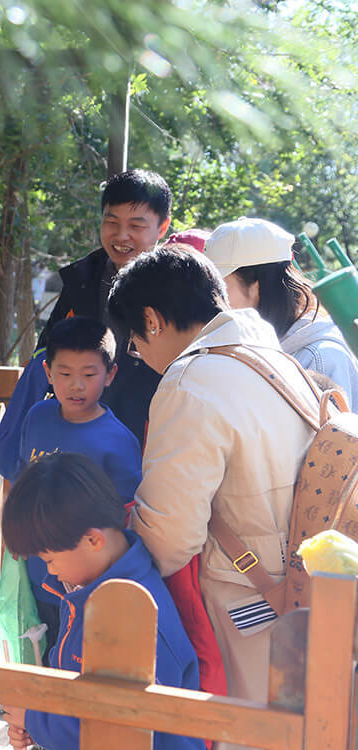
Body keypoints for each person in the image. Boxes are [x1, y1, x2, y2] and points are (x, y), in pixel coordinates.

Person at [107, 246, 318, 717]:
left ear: (152, 320)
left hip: (246, 604)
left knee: (244, 732)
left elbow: (169, 537)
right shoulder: (274, 360)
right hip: (304, 590)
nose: (140, 355)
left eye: (135, 342)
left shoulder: (191, 380)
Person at [1, 453, 203, 750]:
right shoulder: (84, 589)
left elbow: (122, 728)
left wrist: (38, 721)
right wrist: (41, 725)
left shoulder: (136, 617)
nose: (50, 571)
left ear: (93, 540)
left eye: (50, 559)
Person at [0, 168, 172, 481]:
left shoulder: (175, 289)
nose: (121, 235)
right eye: (111, 222)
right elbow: (49, 351)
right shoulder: (83, 279)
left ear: (163, 226)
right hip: (75, 441)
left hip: (146, 441)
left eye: (136, 225)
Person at [15, 315, 143, 659]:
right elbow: (22, 479)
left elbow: (127, 518)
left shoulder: (117, 441)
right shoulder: (37, 418)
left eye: (88, 375)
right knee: (38, 657)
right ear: (47, 372)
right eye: (65, 374)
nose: (76, 386)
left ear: (110, 375)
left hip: (88, 585)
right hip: (37, 575)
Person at [203, 217, 358, 406]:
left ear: (257, 285)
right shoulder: (262, 343)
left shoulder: (321, 357)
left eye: (220, 287)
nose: (214, 298)